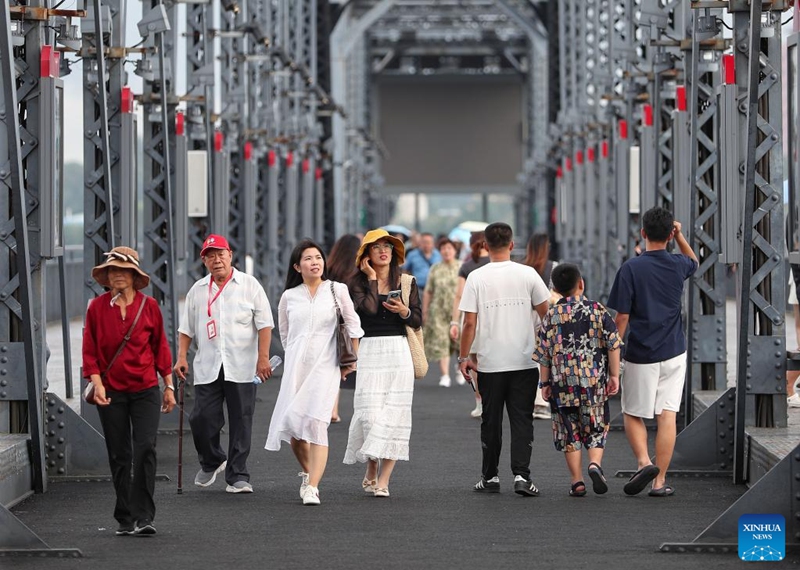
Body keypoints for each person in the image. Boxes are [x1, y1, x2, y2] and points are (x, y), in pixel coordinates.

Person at [82, 246, 175, 536]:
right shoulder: (96, 308)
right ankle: (124, 515)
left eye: (123, 270)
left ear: (135, 276)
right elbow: (89, 351)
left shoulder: (149, 307)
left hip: (146, 388)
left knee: (145, 447)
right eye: (112, 270)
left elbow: (160, 346)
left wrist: (168, 385)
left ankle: (144, 516)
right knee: (119, 454)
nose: (117, 275)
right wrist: (96, 383)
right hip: (111, 391)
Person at [174, 234, 275, 494]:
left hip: (242, 365)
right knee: (201, 418)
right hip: (208, 364)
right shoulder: (198, 290)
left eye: (220, 254)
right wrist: (182, 357)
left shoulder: (250, 285)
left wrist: (263, 358)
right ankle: (213, 460)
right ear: (204, 261)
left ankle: (238, 475)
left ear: (230, 255)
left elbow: (265, 325)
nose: (216, 260)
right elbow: (185, 329)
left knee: (241, 420)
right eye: (210, 256)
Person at [607, 207, 698, 497]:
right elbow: (694, 260)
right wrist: (681, 235)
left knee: (633, 412)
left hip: (641, 353)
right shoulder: (677, 265)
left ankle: (644, 462)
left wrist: (614, 349)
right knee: (666, 415)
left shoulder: (631, 268)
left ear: (642, 233)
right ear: (671, 234)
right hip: (674, 351)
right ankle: (660, 482)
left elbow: (621, 316)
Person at [265, 239, 363, 505]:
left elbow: (353, 326)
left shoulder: (336, 289)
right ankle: (309, 473)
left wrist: (350, 361)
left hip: (326, 365)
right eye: (308, 258)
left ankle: (313, 487)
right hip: (296, 368)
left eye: (318, 257)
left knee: (317, 424)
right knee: (294, 427)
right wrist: (298, 355)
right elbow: (284, 334)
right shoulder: (289, 296)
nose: (315, 262)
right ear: (298, 266)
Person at [458, 223, 550, 496]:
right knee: (522, 419)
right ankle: (522, 476)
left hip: (489, 362)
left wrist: (464, 356)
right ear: (512, 245)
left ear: (485, 245)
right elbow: (547, 316)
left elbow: (469, 323)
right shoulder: (528, 274)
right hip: (524, 360)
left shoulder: (476, 277)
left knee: (491, 420)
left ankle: (490, 477)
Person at [344, 229, 422, 497]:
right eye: (375, 247)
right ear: (366, 254)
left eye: (387, 246)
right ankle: (371, 464)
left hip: (398, 351)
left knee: (396, 416)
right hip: (370, 350)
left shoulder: (407, 282)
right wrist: (373, 279)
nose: (383, 250)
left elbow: (417, 320)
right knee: (369, 414)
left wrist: (405, 311)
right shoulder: (357, 282)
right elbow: (368, 311)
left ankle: (384, 480)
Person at [533, 264, 621, 496]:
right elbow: (613, 344)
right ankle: (595, 464)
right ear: (581, 283)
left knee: (568, 430)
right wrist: (614, 375)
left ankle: (577, 481)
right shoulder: (597, 310)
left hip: (563, 384)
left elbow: (544, 354)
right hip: (593, 382)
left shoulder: (551, 315)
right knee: (596, 424)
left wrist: (545, 384)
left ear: (556, 289)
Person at [450, 231, 490, 418]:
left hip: (472, 316)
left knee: (474, 362)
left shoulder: (466, 266)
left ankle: (480, 401)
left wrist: (454, 320)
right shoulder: (494, 263)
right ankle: (494, 400)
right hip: (493, 317)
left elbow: (459, 295)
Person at [325, 233, 363, 415]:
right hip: (355, 326)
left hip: (331, 324)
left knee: (332, 366)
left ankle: (332, 409)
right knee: (353, 366)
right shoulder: (359, 274)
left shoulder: (329, 271)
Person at [523, 232, 559, 420]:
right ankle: (541, 401)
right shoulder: (553, 267)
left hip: (525, 317)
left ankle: (528, 400)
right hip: (547, 315)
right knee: (544, 358)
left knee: (528, 358)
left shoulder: (521, 266)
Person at [423, 237, 462, 387]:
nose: (446, 251)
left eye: (449, 248)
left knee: (458, 342)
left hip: (458, 310)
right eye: (443, 248)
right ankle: (445, 375)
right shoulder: (435, 268)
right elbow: (428, 291)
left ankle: (460, 368)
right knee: (441, 341)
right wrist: (425, 311)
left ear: (455, 251)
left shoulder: (461, 267)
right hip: (438, 309)